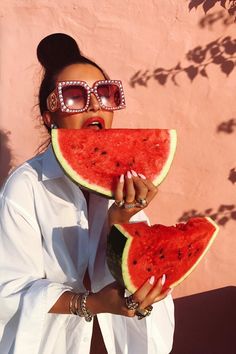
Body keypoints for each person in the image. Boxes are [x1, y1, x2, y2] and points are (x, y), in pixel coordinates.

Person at [0, 33, 175, 354]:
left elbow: (134, 275)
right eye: (75, 96)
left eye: (106, 94)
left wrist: (121, 220)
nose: (95, 104)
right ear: (49, 116)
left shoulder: (126, 180)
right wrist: (91, 302)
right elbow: (7, 290)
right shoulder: (26, 185)